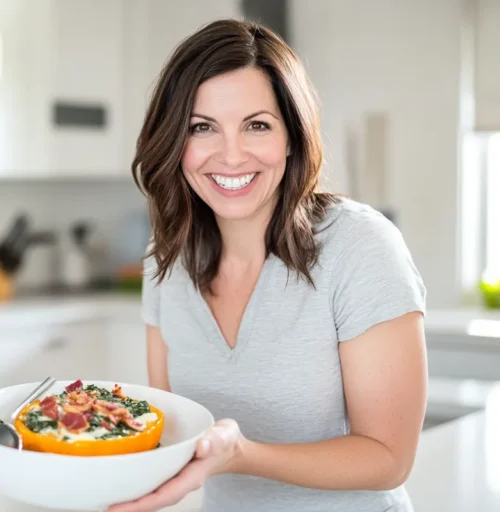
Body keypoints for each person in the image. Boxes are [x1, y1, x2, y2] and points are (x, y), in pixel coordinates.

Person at [108, 18, 428, 512]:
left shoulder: (360, 246)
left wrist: (243, 455)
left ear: (292, 137)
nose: (231, 155)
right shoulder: (165, 258)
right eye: (202, 127)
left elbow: (389, 456)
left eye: (256, 125)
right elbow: (169, 429)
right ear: (174, 141)